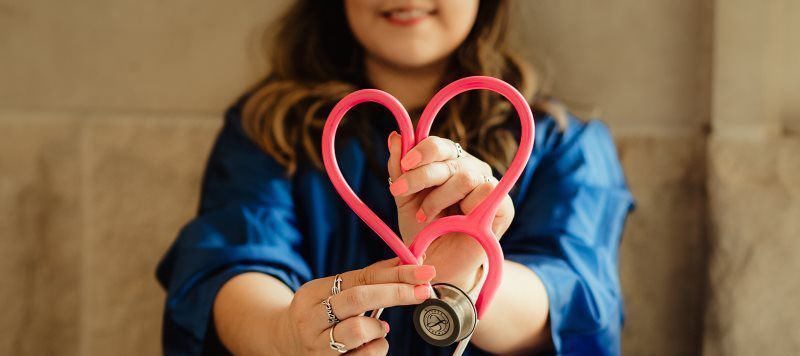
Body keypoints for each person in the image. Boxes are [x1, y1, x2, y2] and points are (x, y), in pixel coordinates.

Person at [156, 0, 634, 355]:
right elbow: (229, 265)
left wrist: (466, 281)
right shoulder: (265, 131)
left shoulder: (565, 146)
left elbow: (574, 296)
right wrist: (285, 334)